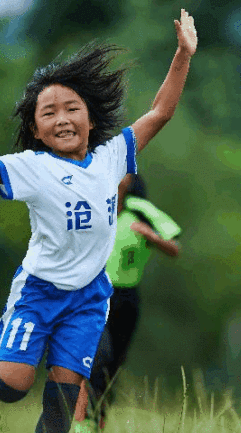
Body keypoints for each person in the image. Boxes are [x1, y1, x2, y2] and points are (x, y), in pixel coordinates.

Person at [0, 9, 196, 433]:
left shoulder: (111, 158)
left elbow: (160, 112)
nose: (62, 118)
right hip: (39, 290)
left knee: (63, 407)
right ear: (36, 126)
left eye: (72, 108)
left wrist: (183, 53)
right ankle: (3, 336)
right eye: (49, 113)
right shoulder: (33, 166)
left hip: (88, 297)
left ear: (90, 117)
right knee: (11, 387)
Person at [72, 173, 181, 432]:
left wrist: (152, 237)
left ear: (131, 181)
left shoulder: (140, 210)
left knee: (112, 366)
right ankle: (80, 423)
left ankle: (96, 422)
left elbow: (175, 247)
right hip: (91, 295)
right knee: (96, 356)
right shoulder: (91, 206)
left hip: (126, 298)